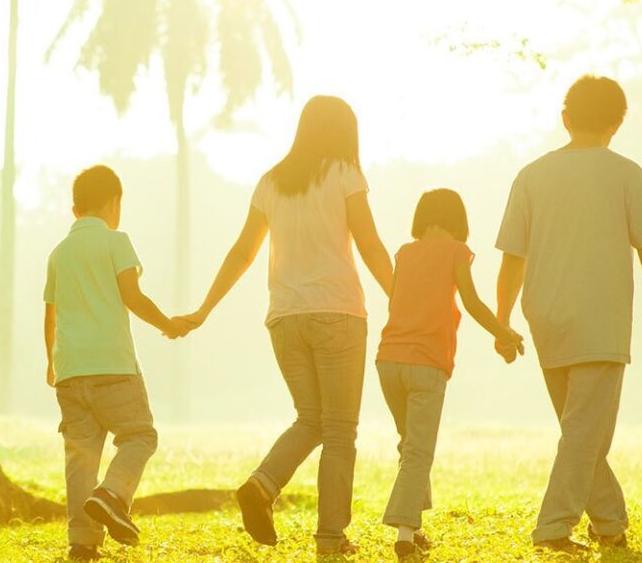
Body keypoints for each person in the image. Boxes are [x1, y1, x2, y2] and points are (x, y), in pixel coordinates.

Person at [175, 95, 395, 555]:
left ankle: (262, 484)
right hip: (337, 313)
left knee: (310, 420)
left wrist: (204, 309)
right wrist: (402, 297)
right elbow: (370, 242)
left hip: (284, 318)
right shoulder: (344, 173)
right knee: (338, 432)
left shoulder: (271, 181)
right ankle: (331, 539)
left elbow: (242, 252)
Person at [494, 75, 642, 553]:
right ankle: (553, 529)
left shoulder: (531, 176)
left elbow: (512, 258)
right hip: (600, 318)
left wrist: (502, 320)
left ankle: (609, 523)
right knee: (585, 432)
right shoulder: (626, 174)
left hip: (546, 317)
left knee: (580, 432)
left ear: (565, 119)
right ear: (618, 124)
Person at [43, 165, 192, 561]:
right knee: (140, 436)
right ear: (114, 203)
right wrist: (169, 325)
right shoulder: (116, 242)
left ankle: (82, 542)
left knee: (81, 455)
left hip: (70, 372)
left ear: (74, 210)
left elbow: (51, 315)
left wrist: (50, 363)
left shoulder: (58, 253)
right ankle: (112, 495)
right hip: (113, 367)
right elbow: (133, 296)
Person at [375, 188, 524, 560]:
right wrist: (502, 331)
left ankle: (415, 527)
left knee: (410, 442)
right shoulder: (457, 252)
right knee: (419, 451)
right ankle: (404, 536)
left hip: (388, 361)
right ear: (460, 221)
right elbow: (471, 301)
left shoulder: (405, 253)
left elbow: (398, 300)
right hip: (426, 364)